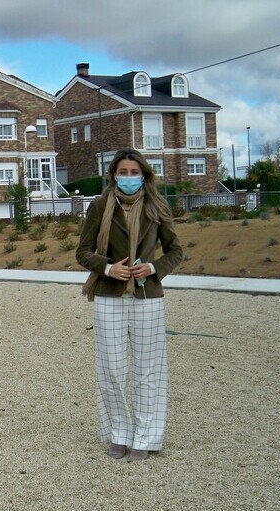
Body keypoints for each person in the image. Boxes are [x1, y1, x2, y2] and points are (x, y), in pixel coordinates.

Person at [76, 149, 184, 462]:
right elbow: (82, 252)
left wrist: (153, 268)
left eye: (133, 172)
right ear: (113, 175)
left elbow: (175, 251)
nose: (128, 177)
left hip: (146, 296)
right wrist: (109, 268)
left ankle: (147, 436)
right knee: (111, 369)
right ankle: (119, 433)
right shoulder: (99, 207)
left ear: (144, 175)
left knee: (148, 372)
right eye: (122, 172)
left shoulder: (156, 206)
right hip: (110, 295)